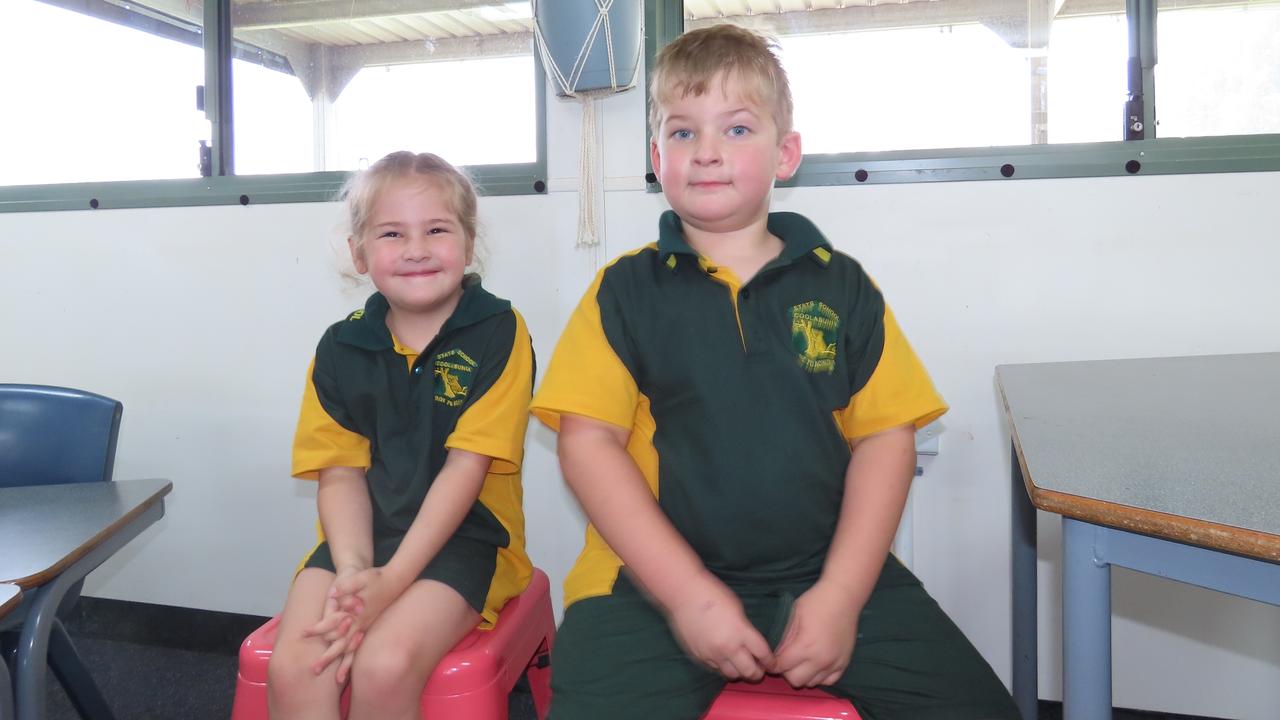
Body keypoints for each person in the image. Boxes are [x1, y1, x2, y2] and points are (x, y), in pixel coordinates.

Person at [529, 24, 1018, 720]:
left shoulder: (842, 286)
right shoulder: (622, 292)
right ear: (655, 158)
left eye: (735, 129)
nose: (705, 153)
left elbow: (886, 438)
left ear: (785, 153)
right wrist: (690, 596)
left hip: (829, 574)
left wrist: (843, 596)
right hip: (644, 587)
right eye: (681, 133)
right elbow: (587, 445)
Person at [267, 151, 535, 720]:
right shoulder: (340, 347)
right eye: (392, 233)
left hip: (468, 541)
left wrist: (391, 583)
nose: (416, 249)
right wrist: (355, 573)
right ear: (360, 253)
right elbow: (338, 474)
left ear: (467, 243)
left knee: (384, 664)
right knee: (296, 665)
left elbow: (467, 469)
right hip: (361, 539)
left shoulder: (498, 331)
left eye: (436, 229)